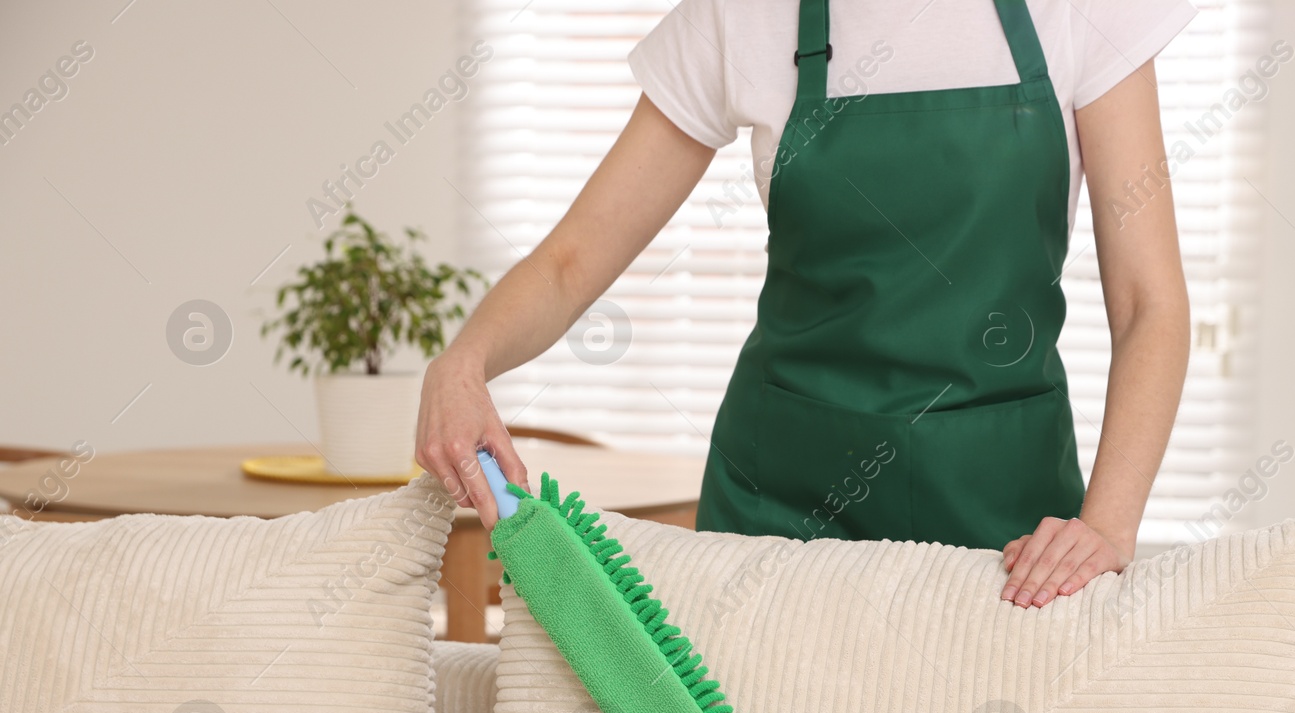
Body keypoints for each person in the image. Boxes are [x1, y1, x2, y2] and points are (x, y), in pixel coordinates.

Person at [416, 0, 1194, 610]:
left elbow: (1147, 303)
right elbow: (570, 260)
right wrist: (465, 359)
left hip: (1009, 526)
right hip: (782, 513)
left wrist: (1107, 525)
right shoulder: (746, 13)